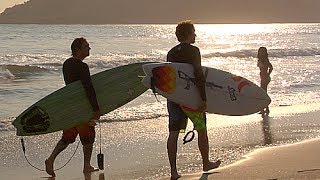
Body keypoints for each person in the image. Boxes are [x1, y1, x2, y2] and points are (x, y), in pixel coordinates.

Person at [166, 20, 221, 180]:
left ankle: (173, 172)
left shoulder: (171, 52)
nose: (195, 35)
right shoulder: (194, 51)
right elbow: (198, 74)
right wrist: (203, 98)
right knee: (201, 128)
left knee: (173, 133)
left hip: (175, 97)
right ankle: (205, 163)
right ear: (188, 34)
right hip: (192, 99)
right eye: (193, 32)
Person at [45, 37, 102, 177]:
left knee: (68, 137)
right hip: (83, 107)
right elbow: (88, 88)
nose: (89, 48)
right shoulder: (82, 66)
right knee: (88, 136)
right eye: (86, 46)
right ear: (77, 49)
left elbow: (71, 87)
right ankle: (87, 166)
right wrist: (95, 109)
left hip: (71, 106)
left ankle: (51, 159)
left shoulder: (66, 64)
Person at [257, 47, 273, 116]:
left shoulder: (265, 60)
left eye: (263, 51)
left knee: (263, 93)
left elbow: (271, 67)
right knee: (264, 93)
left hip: (265, 78)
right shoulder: (260, 59)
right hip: (263, 78)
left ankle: (264, 109)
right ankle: (265, 109)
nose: (261, 53)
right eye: (260, 51)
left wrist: (268, 74)